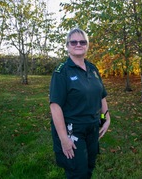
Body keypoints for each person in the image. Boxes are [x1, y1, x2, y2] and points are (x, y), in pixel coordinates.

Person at [49, 28, 111, 179]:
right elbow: (55, 106)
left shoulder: (93, 68)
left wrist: (106, 117)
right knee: (78, 173)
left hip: (92, 128)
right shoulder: (61, 72)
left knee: (89, 168)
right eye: (74, 42)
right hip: (73, 131)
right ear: (67, 45)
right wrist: (64, 138)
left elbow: (100, 95)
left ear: (87, 45)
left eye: (82, 42)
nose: (78, 44)